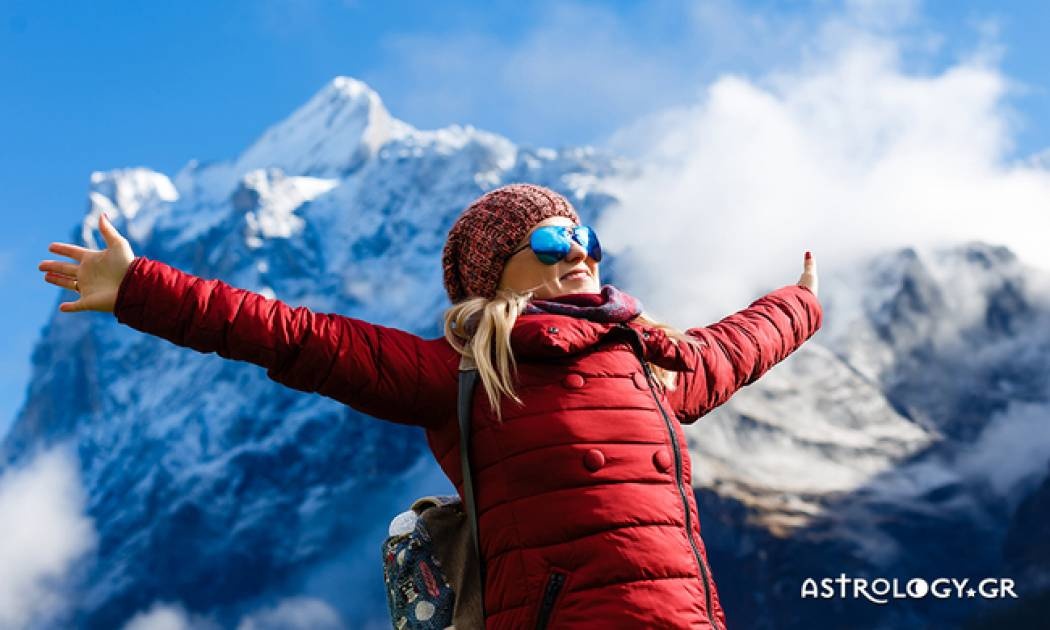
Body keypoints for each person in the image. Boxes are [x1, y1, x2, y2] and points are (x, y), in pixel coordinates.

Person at [39, 183, 821, 629]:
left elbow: (736, 347)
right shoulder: (463, 372)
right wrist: (141, 288)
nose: (580, 252)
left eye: (585, 235)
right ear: (497, 272)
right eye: (551, 243)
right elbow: (295, 337)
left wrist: (801, 306)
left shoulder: (652, 364)